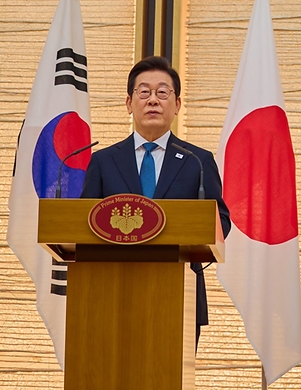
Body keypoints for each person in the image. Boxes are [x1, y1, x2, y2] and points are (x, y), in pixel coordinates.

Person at [81, 56, 231, 346]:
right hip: (111, 295)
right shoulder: (102, 161)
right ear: (129, 103)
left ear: (176, 105)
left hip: (179, 295)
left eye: (163, 93)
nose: (153, 100)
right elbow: (83, 223)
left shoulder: (197, 161)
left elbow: (221, 221)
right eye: (144, 92)